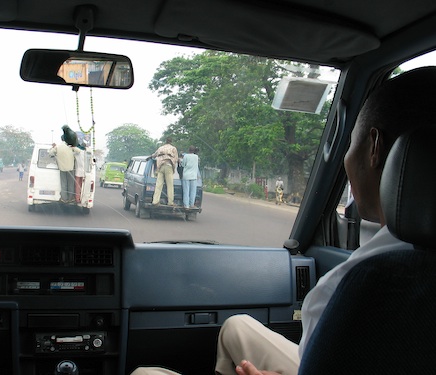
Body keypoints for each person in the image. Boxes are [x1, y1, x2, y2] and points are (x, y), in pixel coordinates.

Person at [130, 66, 436, 375]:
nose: (345, 161)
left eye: (350, 142)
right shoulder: (400, 256)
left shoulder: (369, 283)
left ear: (374, 147)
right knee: (237, 326)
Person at [150, 137, 178, 206]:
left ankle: (155, 201)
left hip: (160, 167)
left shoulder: (160, 148)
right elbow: (176, 159)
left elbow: (154, 155)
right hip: (168, 167)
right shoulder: (173, 148)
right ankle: (170, 202)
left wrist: (150, 157)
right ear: (171, 142)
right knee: (170, 185)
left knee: (159, 185)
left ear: (165, 141)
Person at [48, 135, 76, 203]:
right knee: (71, 183)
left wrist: (53, 147)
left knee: (63, 183)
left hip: (62, 168)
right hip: (71, 168)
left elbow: (50, 153)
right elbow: (78, 152)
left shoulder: (58, 147)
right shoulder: (71, 146)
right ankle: (70, 198)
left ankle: (64, 198)